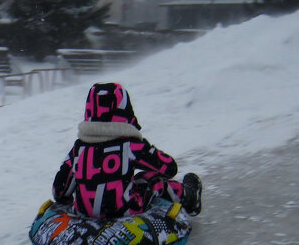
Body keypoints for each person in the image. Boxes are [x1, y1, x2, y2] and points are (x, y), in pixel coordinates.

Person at [52, 82, 202, 219]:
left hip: (84, 212)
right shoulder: (130, 145)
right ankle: (189, 197)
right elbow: (169, 168)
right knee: (150, 179)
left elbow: (59, 191)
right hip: (125, 210)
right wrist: (145, 148)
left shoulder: (78, 149)